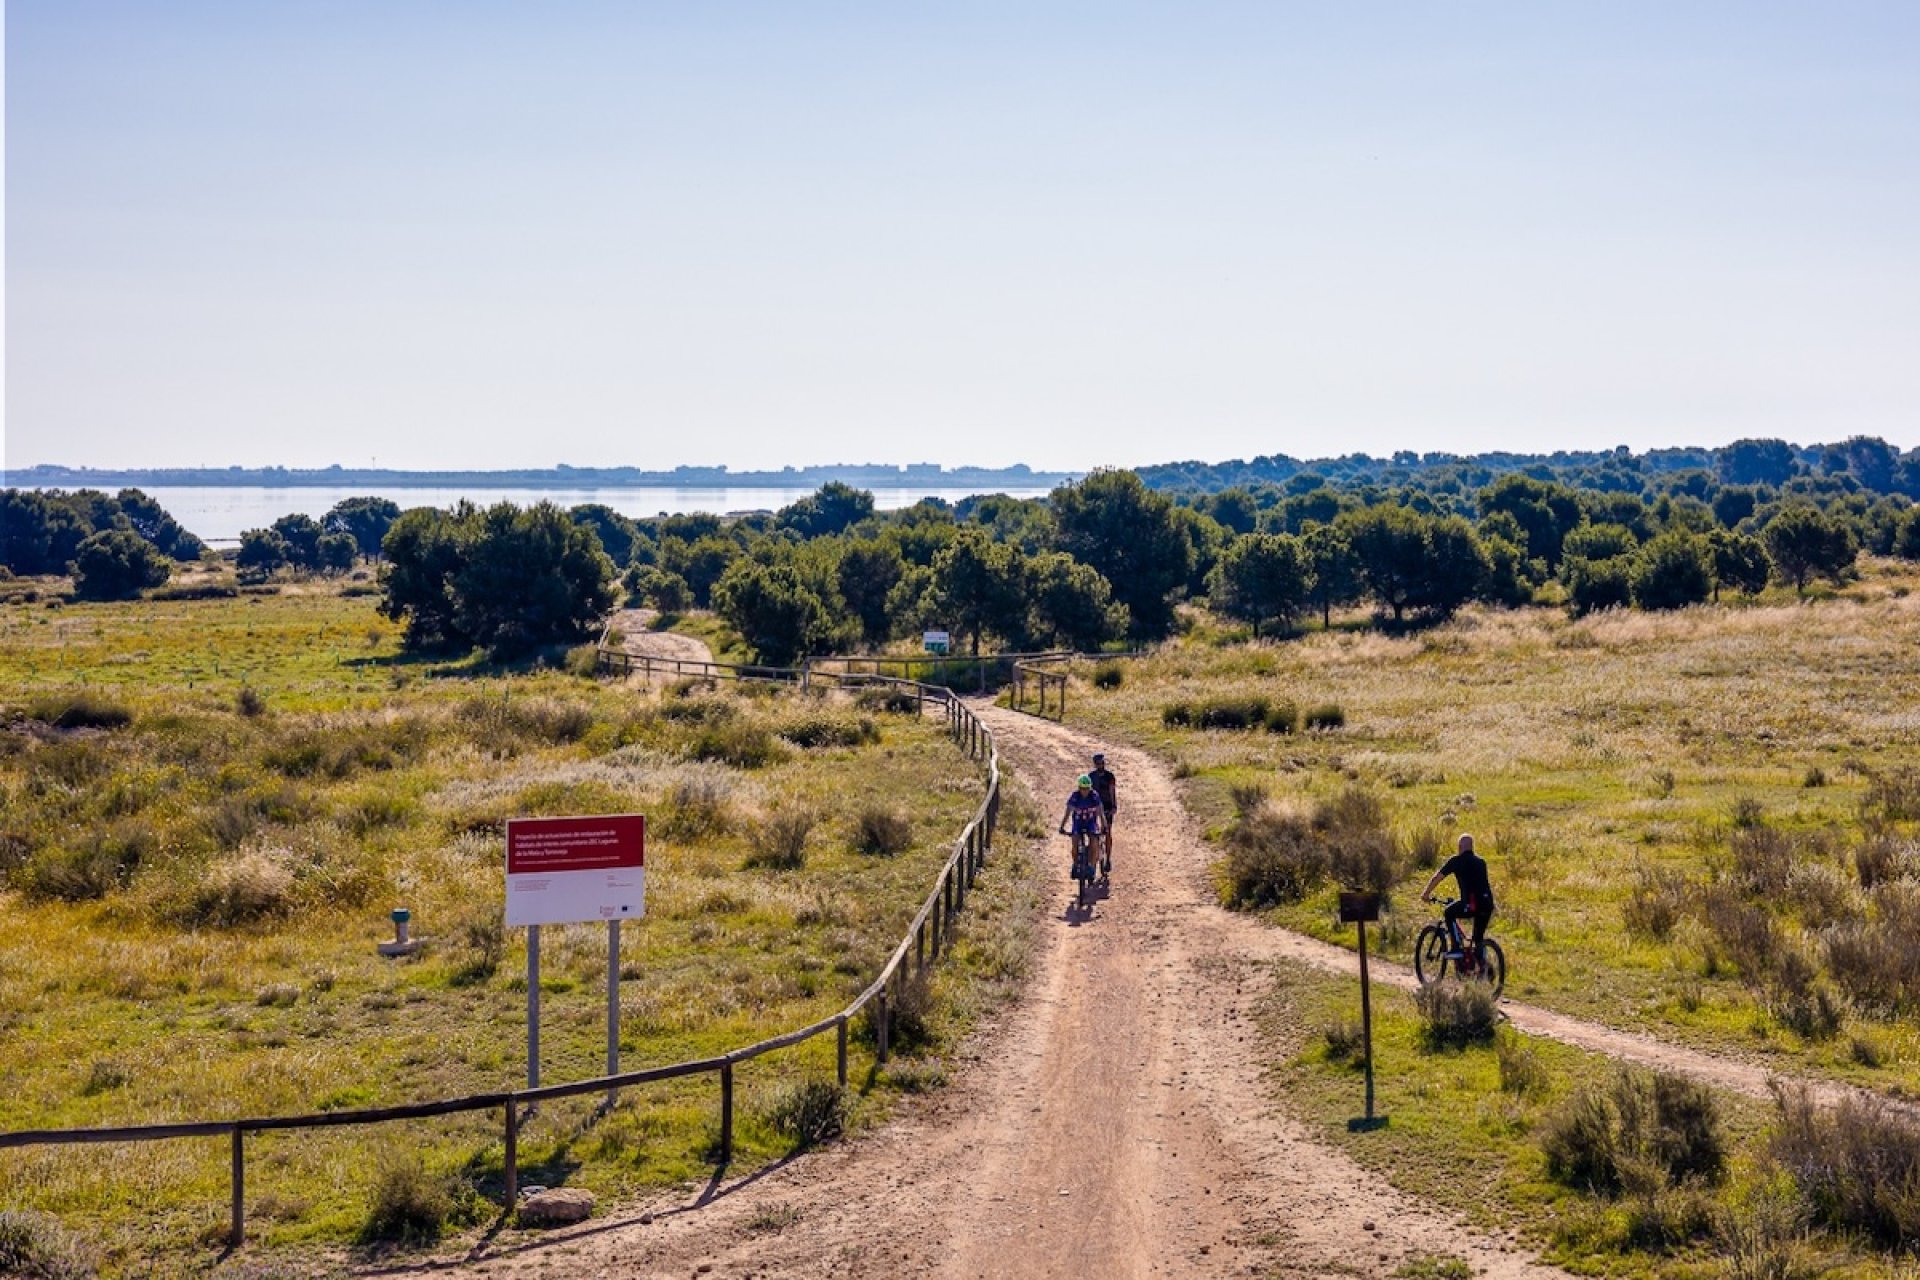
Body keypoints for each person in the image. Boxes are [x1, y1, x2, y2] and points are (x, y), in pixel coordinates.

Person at [1421, 834, 1496, 972]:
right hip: (1487, 904)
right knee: (1477, 939)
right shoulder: (1481, 862)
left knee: (1448, 912)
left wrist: (1426, 894)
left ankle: (1456, 948)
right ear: (1472, 847)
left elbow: (1437, 877)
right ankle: (1483, 966)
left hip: (1471, 904)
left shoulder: (1456, 861)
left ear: (1460, 847)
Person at [1058, 774, 1107, 884]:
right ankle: (1075, 864)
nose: (1085, 791)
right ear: (1079, 788)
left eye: (1087, 788)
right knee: (1074, 842)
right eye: (1083, 788)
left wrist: (1104, 826)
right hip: (1078, 822)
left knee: (1094, 842)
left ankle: (1091, 867)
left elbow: (1100, 812)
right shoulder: (1075, 796)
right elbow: (1068, 812)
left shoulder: (1094, 796)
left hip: (1091, 822)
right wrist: (1062, 826)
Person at [1088, 752, 1118, 874]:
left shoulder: (1109, 776)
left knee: (1107, 832)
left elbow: (1112, 791)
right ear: (1095, 764)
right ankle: (1092, 861)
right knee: (1093, 833)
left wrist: (1114, 805)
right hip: (1094, 806)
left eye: (1102, 762)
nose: (1100, 765)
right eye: (1098, 763)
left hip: (1106, 805)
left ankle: (1108, 859)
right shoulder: (1091, 776)